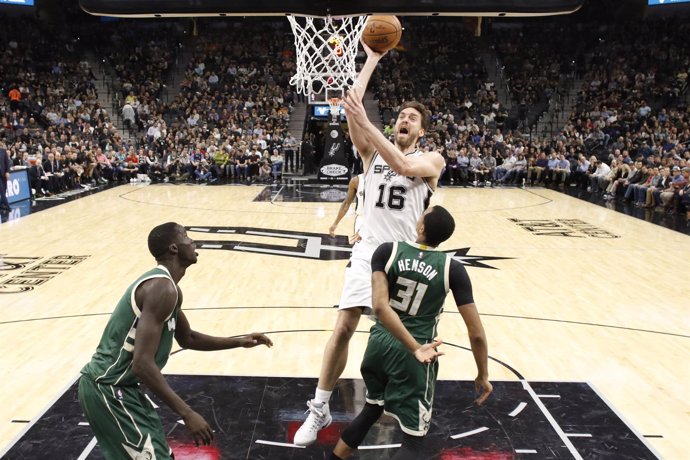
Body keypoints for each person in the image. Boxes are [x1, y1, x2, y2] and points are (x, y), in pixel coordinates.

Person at [293, 41, 446, 446]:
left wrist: (365, 120)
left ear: (422, 130)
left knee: (402, 338)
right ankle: (320, 406)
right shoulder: (368, 155)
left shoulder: (432, 160)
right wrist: (373, 58)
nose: (404, 119)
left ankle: (400, 404)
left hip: (406, 259)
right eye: (400, 115)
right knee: (344, 324)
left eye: (412, 118)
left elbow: (402, 164)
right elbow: (353, 102)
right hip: (368, 252)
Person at [78, 222, 273, 459]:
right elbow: (142, 364)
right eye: (186, 237)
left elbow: (188, 338)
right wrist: (187, 413)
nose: (193, 242)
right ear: (173, 248)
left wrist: (239, 341)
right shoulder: (162, 288)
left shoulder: (171, 289)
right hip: (108, 388)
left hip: (124, 389)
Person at [330, 205, 492, 459]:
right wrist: (482, 374)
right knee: (414, 443)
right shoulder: (453, 268)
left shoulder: (388, 251)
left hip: (379, 343)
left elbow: (381, 307)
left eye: (423, 213)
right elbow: (477, 333)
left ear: (422, 227)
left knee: (371, 411)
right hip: (417, 352)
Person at [329, 174, 364, 244]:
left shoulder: (357, 180)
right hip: (365, 220)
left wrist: (335, 223)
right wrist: (335, 223)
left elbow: (346, 204)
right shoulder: (357, 180)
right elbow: (346, 204)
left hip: (366, 220)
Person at [0, 144, 11, 213]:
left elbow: (7, 163)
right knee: (1, 189)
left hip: (3, 174)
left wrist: (7, 171)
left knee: (4, 189)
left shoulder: (3, 151)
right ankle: (7, 205)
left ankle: (1, 204)